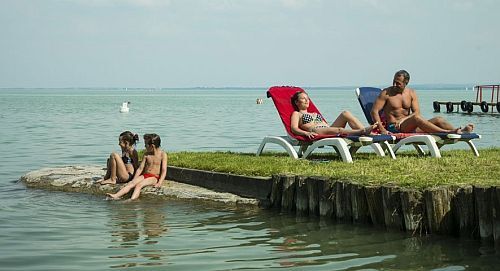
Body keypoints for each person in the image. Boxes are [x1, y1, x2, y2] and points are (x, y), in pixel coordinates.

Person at [371, 70, 474, 135]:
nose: (394, 84)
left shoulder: (411, 93)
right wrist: (382, 129)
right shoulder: (386, 93)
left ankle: (460, 132)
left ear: (405, 83)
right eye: (394, 81)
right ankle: (448, 132)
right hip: (394, 127)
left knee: (439, 119)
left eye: (398, 83)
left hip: (410, 125)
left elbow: (416, 112)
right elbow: (374, 111)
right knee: (416, 118)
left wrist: (404, 120)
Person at [290, 91, 376, 140]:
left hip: (326, 129)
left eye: (307, 98)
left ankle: (369, 132)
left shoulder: (314, 113)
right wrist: (306, 133)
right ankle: (362, 131)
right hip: (316, 131)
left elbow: (326, 125)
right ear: (297, 102)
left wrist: (329, 128)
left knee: (345, 113)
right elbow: (294, 128)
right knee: (339, 130)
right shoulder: (297, 114)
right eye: (303, 99)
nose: (306, 100)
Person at [106, 133, 168, 200]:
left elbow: (164, 170)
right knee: (131, 183)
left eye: (146, 145)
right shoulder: (146, 154)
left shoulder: (163, 155)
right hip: (145, 175)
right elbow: (140, 168)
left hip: (154, 177)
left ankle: (132, 199)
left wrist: (160, 182)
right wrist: (134, 179)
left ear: (152, 146)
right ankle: (116, 195)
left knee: (139, 185)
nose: (144, 146)